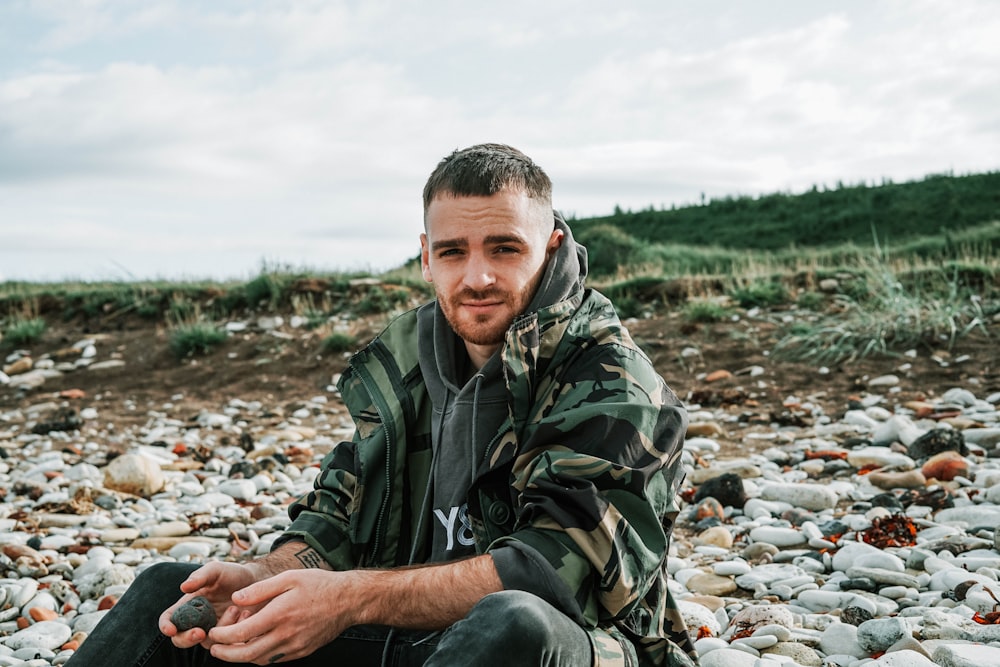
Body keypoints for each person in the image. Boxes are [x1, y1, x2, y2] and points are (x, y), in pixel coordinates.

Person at [66, 144, 697, 666]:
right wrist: (265, 575)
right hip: (411, 639)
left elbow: (555, 575)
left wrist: (347, 599)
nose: (476, 276)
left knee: (514, 622)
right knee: (167, 592)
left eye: (504, 248)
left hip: (579, 648)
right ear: (426, 257)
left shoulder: (612, 381)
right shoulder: (405, 370)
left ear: (552, 247)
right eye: (454, 251)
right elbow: (335, 520)